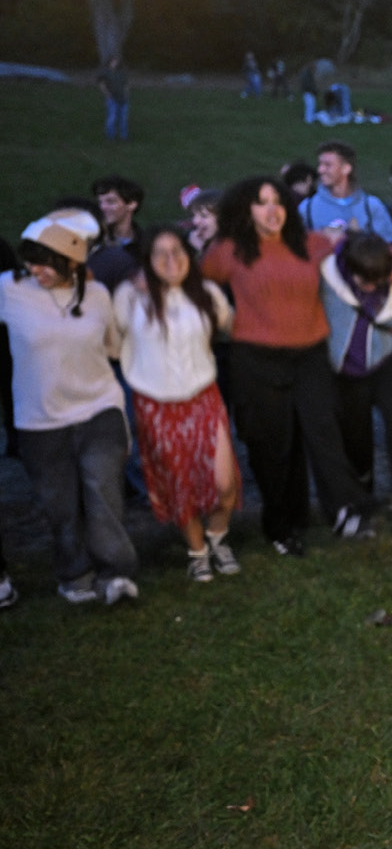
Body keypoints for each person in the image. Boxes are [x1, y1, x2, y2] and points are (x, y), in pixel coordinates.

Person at [202, 177, 378, 554]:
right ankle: (282, 525)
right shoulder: (229, 251)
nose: (272, 210)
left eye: (278, 202)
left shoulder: (311, 244)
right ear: (245, 210)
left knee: (324, 432)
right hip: (255, 359)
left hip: (309, 354)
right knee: (272, 445)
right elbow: (187, 280)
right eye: (261, 202)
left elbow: (370, 254)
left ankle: (345, 510)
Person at [0, 208, 140, 605]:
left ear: (74, 262)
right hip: (40, 420)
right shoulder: (9, 289)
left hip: (99, 409)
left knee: (104, 496)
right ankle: (75, 574)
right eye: (32, 260)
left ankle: (116, 575)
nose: (37, 270)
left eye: (48, 263)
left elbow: (113, 347)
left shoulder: (96, 294)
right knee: (60, 506)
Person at [114, 225, 241, 582]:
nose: (171, 260)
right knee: (180, 484)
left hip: (203, 396)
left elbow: (232, 326)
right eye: (161, 253)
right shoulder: (129, 296)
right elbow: (111, 340)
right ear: (147, 261)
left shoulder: (207, 293)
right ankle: (197, 551)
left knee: (223, 484)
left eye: (178, 252)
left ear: (190, 256)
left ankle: (218, 536)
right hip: (155, 404)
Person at [318, 231, 392, 513]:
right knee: (356, 438)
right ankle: (363, 492)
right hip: (345, 372)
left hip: (383, 363)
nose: (372, 287)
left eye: (378, 281)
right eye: (366, 281)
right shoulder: (329, 277)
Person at [299, 141, 392, 242]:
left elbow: (390, 246)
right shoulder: (307, 208)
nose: (320, 170)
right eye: (320, 164)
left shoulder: (370, 206)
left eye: (327, 165)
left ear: (346, 168)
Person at [98, 55, 130, 141]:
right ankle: (110, 136)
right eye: (113, 61)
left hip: (123, 98)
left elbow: (126, 84)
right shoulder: (105, 72)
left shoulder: (121, 72)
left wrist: (126, 94)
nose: (115, 63)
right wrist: (107, 94)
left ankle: (124, 136)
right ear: (109, 62)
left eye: (116, 61)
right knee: (112, 118)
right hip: (112, 98)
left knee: (123, 118)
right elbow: (102, 85)